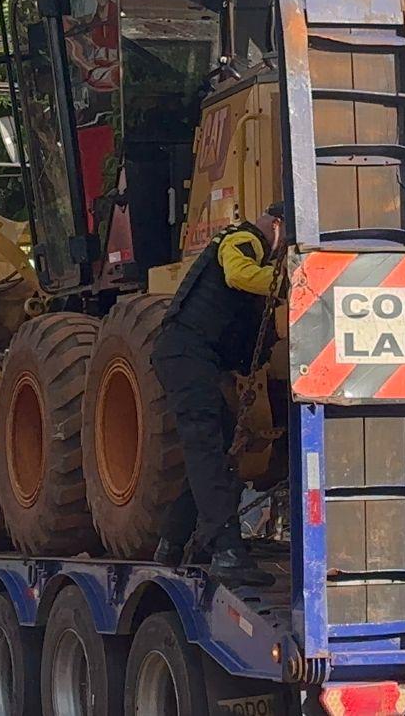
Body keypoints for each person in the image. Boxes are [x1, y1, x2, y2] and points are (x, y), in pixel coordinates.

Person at [152, 205, 284, 587]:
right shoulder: (243, 238)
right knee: (207, 449)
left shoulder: (254, 245)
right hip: (186, 353)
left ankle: (173, 540)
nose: (284, 249)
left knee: (220, 444)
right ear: (276, 225)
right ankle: (226, 551)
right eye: (286, 238)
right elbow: (239, 274)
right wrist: (293, 280)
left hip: (189, 356)